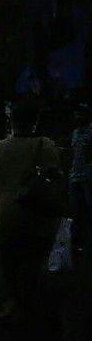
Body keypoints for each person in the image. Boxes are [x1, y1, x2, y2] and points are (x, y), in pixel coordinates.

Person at [0, 96, 63, 318]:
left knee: (9, 257)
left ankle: (11, 299)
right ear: (35, 121)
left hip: (6, 212)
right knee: (33, 256)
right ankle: (28, 298)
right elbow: (56, 176)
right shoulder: (46, 145)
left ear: (12, 121)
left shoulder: (0, 147)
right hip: (37, 211)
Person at [69, 100, 92, 260]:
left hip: (88, 176)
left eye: (80, 113)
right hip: (75, 176)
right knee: (76, 209)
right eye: (76, 113)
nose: (77, 116)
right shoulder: (74, 133)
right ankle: (77, 243)